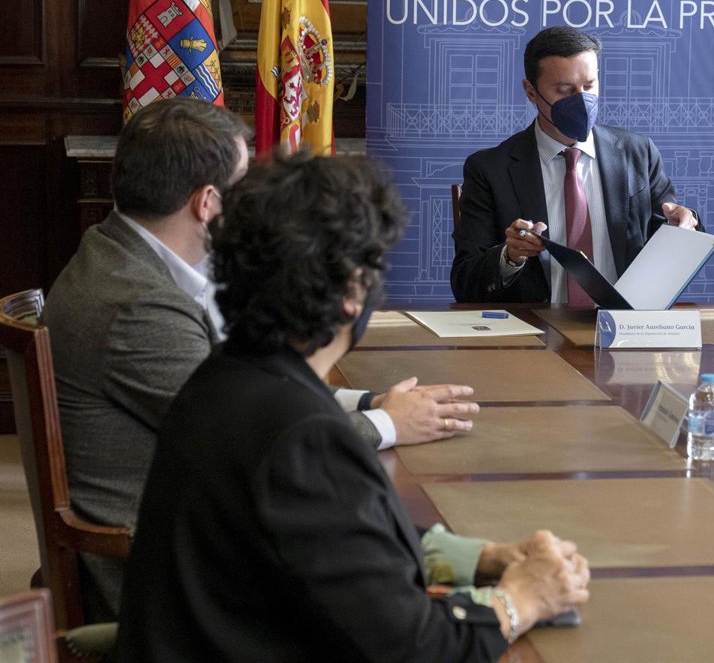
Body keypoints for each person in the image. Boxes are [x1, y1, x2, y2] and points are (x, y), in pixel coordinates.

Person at [117, 150, 590, 661]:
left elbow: (339, 539)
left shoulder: (229, 374)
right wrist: (522, 599)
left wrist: (486, 558)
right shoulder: (304, 436)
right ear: (350, 291)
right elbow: (418, 649)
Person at [42, 99, 478, 621]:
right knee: (395, 591)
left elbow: (247, 388)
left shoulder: (124, 255)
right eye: (242, 185)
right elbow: (251, 439)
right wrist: (388, 424)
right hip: (165, 576)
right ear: (207, 202)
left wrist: (368, 401)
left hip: (200, 523)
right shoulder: (138, 306)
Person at [451, 25, 701, 305]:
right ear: (531, 91)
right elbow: (465, 282)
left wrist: (683, 227)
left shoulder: (638, 154)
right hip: (535, 328)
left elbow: (669, 252)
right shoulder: (490, 169)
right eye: (565, 90)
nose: (582, 100)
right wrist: (510, 256)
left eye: (589, 86)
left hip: (626, 323)